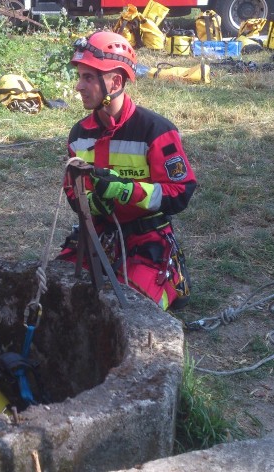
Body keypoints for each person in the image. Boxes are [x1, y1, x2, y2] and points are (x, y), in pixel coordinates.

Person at [58, 31, 198, 311]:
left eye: (88, 77)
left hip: (147, 236)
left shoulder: (155, 131)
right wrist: (87, 201)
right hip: (98, 233)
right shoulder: (79, 134)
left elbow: (180, 192)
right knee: (59, 295)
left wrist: (126, 191)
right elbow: (72, 188)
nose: (78, 87)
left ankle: (169, 275)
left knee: (131, 310)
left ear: (116, 81)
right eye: (80, 76)